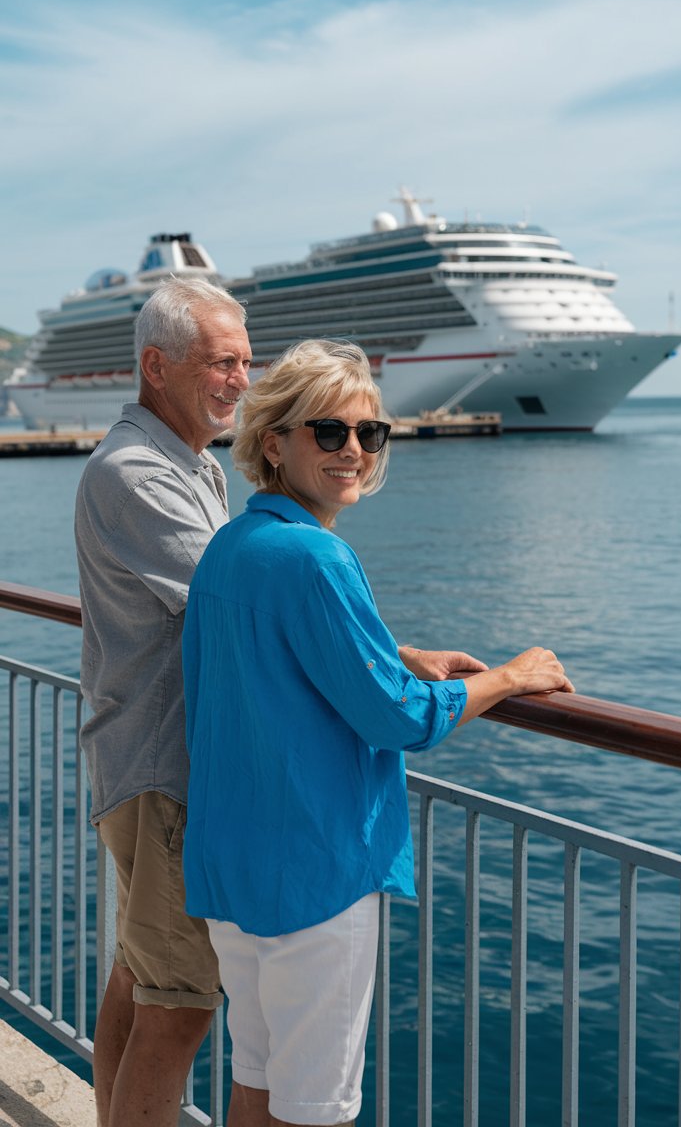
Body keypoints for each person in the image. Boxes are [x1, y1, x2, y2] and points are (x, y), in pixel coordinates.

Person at [182, 338, 574, 1127]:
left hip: (233, 869)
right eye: (328, 432)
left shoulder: (231, 547)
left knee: (255, 1084)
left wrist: (394, 655)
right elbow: (397, 717)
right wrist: (509, 676)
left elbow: (277, 660)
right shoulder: (317, 558)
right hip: (315, 875)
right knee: (314, 1110)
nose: (353, 450)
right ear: (275, 443)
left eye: (370, 433)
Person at [74, 276, 253, 1127]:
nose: (242, 381)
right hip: (163, 769)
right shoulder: (139, 474)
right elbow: (243, 603)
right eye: (223, 362)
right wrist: (397, 657)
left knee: (139, 981)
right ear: (157, 366)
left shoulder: (191, 465)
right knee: (179, 1006)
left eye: (246, 361)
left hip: (143, 760)